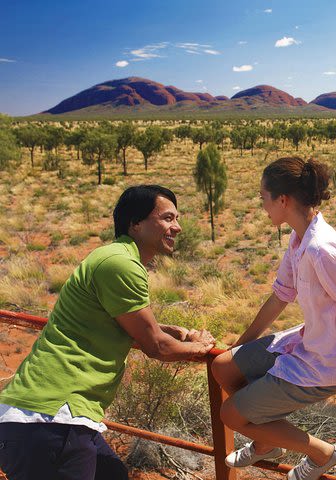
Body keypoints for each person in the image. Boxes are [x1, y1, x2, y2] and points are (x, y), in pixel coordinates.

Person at [0, 185, 216, 480]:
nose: (177, 227)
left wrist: (160, 327)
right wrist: (201, 346)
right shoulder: (121, 264)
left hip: (51, 420)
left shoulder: (114, 257)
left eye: (177, 218)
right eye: (167, 218)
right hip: (53, 417)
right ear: (135, 224)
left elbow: (112, 318)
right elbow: (157, 347)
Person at [212, 157, 336, 480]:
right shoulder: (298, 240)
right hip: (309, 339)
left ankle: (322, 453)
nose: (263, 206)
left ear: (283, 200)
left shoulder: (322, 251)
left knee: (230, 414)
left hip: (328, 361)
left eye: (264, 198)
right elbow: (281, 296)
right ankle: (267, 441)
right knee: (223, 365)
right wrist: (240, 345)